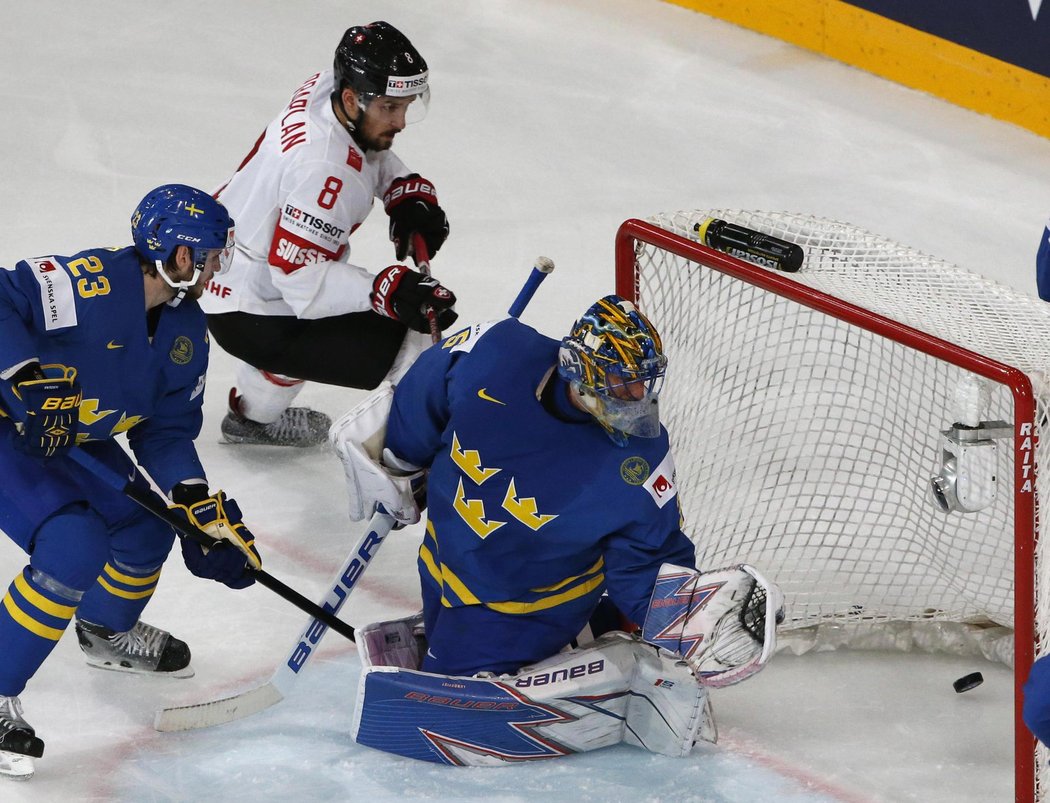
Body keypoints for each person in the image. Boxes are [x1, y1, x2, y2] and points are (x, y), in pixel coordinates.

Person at [331, 295, 783, 763]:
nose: (636, 397)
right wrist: (400, 460)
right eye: (621, 382)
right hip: (443, 560)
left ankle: (575, 632)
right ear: (577, 369)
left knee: (452, 686)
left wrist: (681, 615)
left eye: (643, 383)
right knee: (443, 625)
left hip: (525, 608)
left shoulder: (637, 461)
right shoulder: (494, 351)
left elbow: (647, 554)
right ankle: (595, 629)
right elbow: (427, 386)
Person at [0, 185, 263, 779]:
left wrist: (194, 501)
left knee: (146, 527)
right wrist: (23, 378)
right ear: (174, 253)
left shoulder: (184, 331)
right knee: (73, 543)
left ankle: (102, 629)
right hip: (4, 426)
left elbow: (165, 432)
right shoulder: (90, 283)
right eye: (211, 254)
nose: (218, 265)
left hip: (71, 439)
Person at [200, 20, 458, 448]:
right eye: (390, 109)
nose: (402, 121)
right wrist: (387, 289)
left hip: (229, 273)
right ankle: (416, 457)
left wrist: (403, 190)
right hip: (255, 312)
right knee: (413, 342)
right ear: (354, 98)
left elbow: (362, 150)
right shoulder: (323, 170)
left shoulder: (327, 91)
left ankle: (253, 420)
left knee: (318, 316)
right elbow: (300, 284)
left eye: (406, 106)